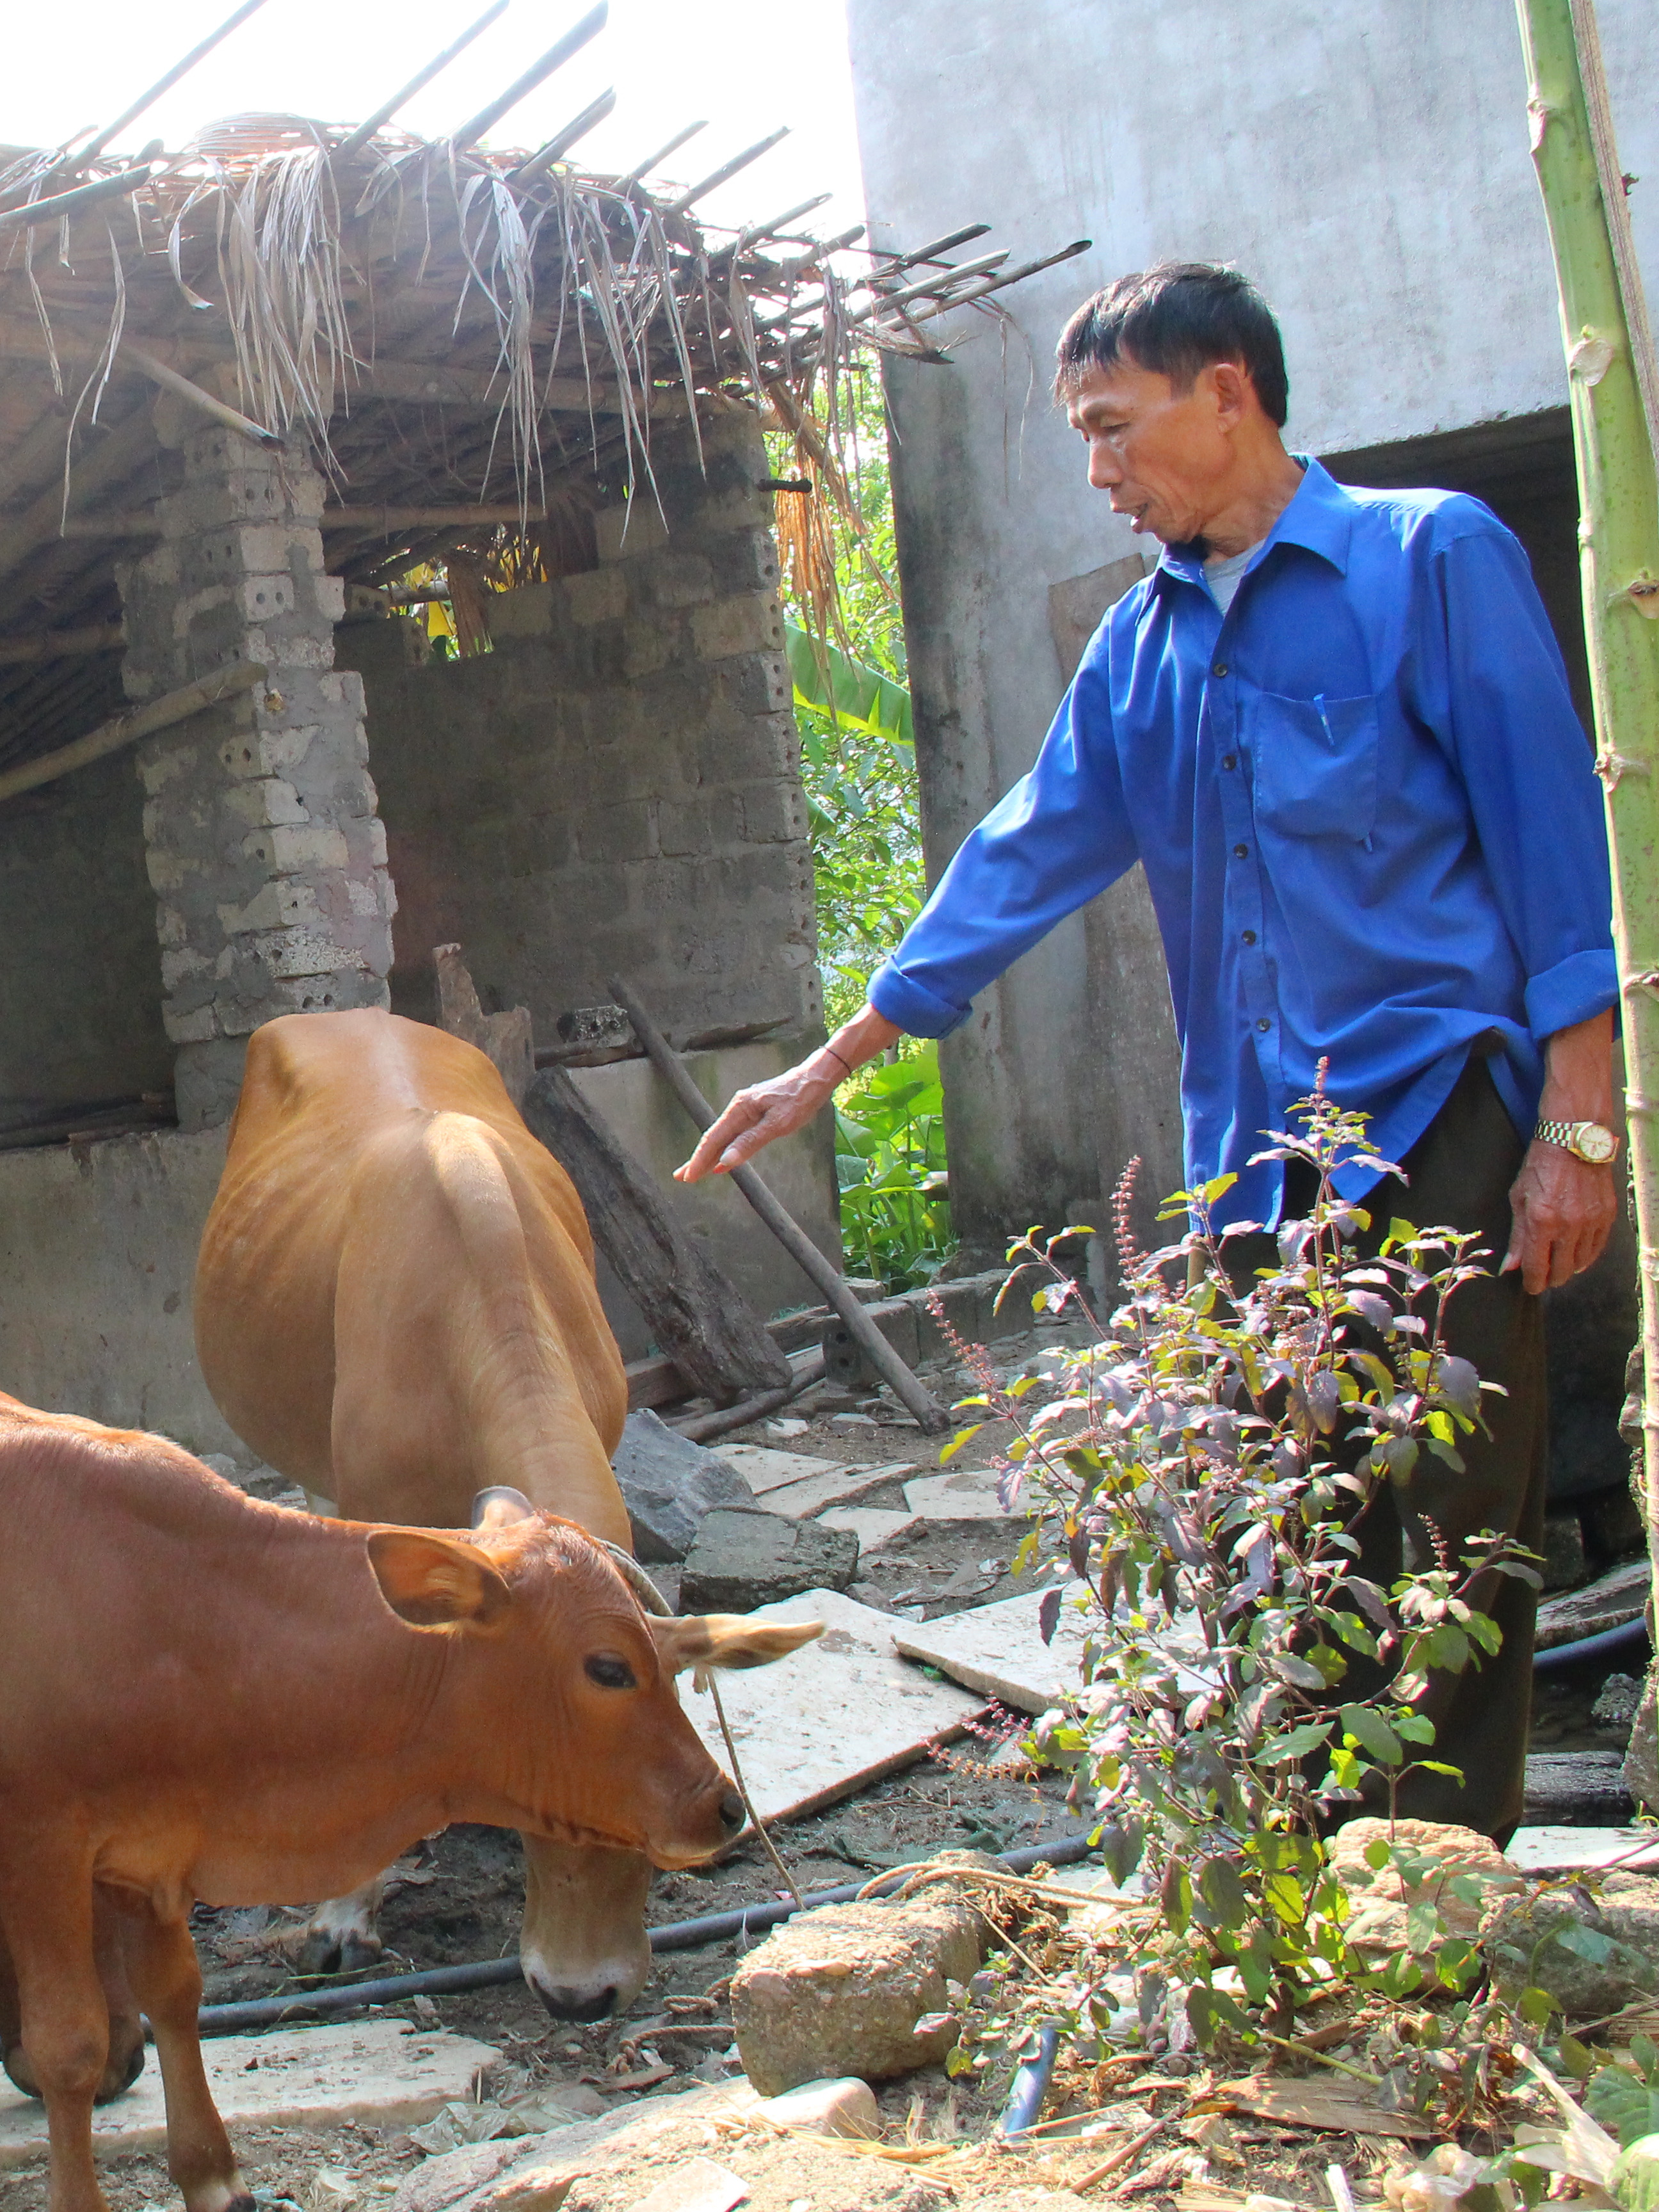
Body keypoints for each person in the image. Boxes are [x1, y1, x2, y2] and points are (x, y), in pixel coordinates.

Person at [680, 262, 1619, 1842]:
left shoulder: (1427, 558)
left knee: (1453, 1514)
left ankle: (1440, 1898)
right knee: (1277, 1511)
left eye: (1115, 430)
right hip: (1251, 1150)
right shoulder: (1139, 644)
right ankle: (1311, 1867)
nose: (1099, 470)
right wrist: (832, 1062)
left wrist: (1576, 1123)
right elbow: (1023, 855)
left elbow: (1550, 841)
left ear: (1228, 392)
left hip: (1440, 1108)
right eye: (1082, 440)